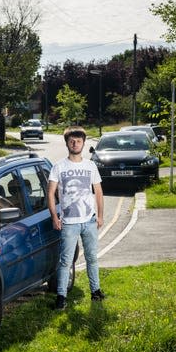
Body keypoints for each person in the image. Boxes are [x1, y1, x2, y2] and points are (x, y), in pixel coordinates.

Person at [47, 126, 105, 310]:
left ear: (83, 143)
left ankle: (95, 292)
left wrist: (101, 216)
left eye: (78, 141)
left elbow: (99, 192)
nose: (75, 143)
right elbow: (50, 194)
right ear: (67, 143)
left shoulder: (90, 165)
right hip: (68, 224)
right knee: (65, 261)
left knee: (92, 258)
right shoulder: (59, 166)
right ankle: (61, 297)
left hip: (89, 221)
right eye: (72, 141)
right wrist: (54, 217)